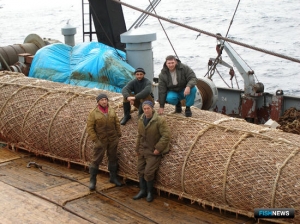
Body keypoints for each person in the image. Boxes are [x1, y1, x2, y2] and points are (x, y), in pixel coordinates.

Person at [133, 101, 170, 202]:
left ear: (152, 109)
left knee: (148, 172)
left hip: (153, 151)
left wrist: (158, 148)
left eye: (148, 108)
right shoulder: (141, 119)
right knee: (140, 170)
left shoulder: (159, 120)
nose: (146, 110)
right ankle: (142, 191)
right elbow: (139, 135)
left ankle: (150, 193)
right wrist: (137, 149)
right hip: (142, 150)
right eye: (144, 109)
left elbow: (166, 135)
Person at [86, 93, 122, 190]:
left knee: (113, 159)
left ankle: (113, 177)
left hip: (112, 139)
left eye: (105, 99)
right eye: (102, 100)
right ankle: (92, 180)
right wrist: (96, 140)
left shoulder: (111, 110)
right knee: (96, 160)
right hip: (101, 141)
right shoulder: (93, 113)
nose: (104, 101)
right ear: (98, 102)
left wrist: (118, 135)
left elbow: (117, 123)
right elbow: (90, 128)